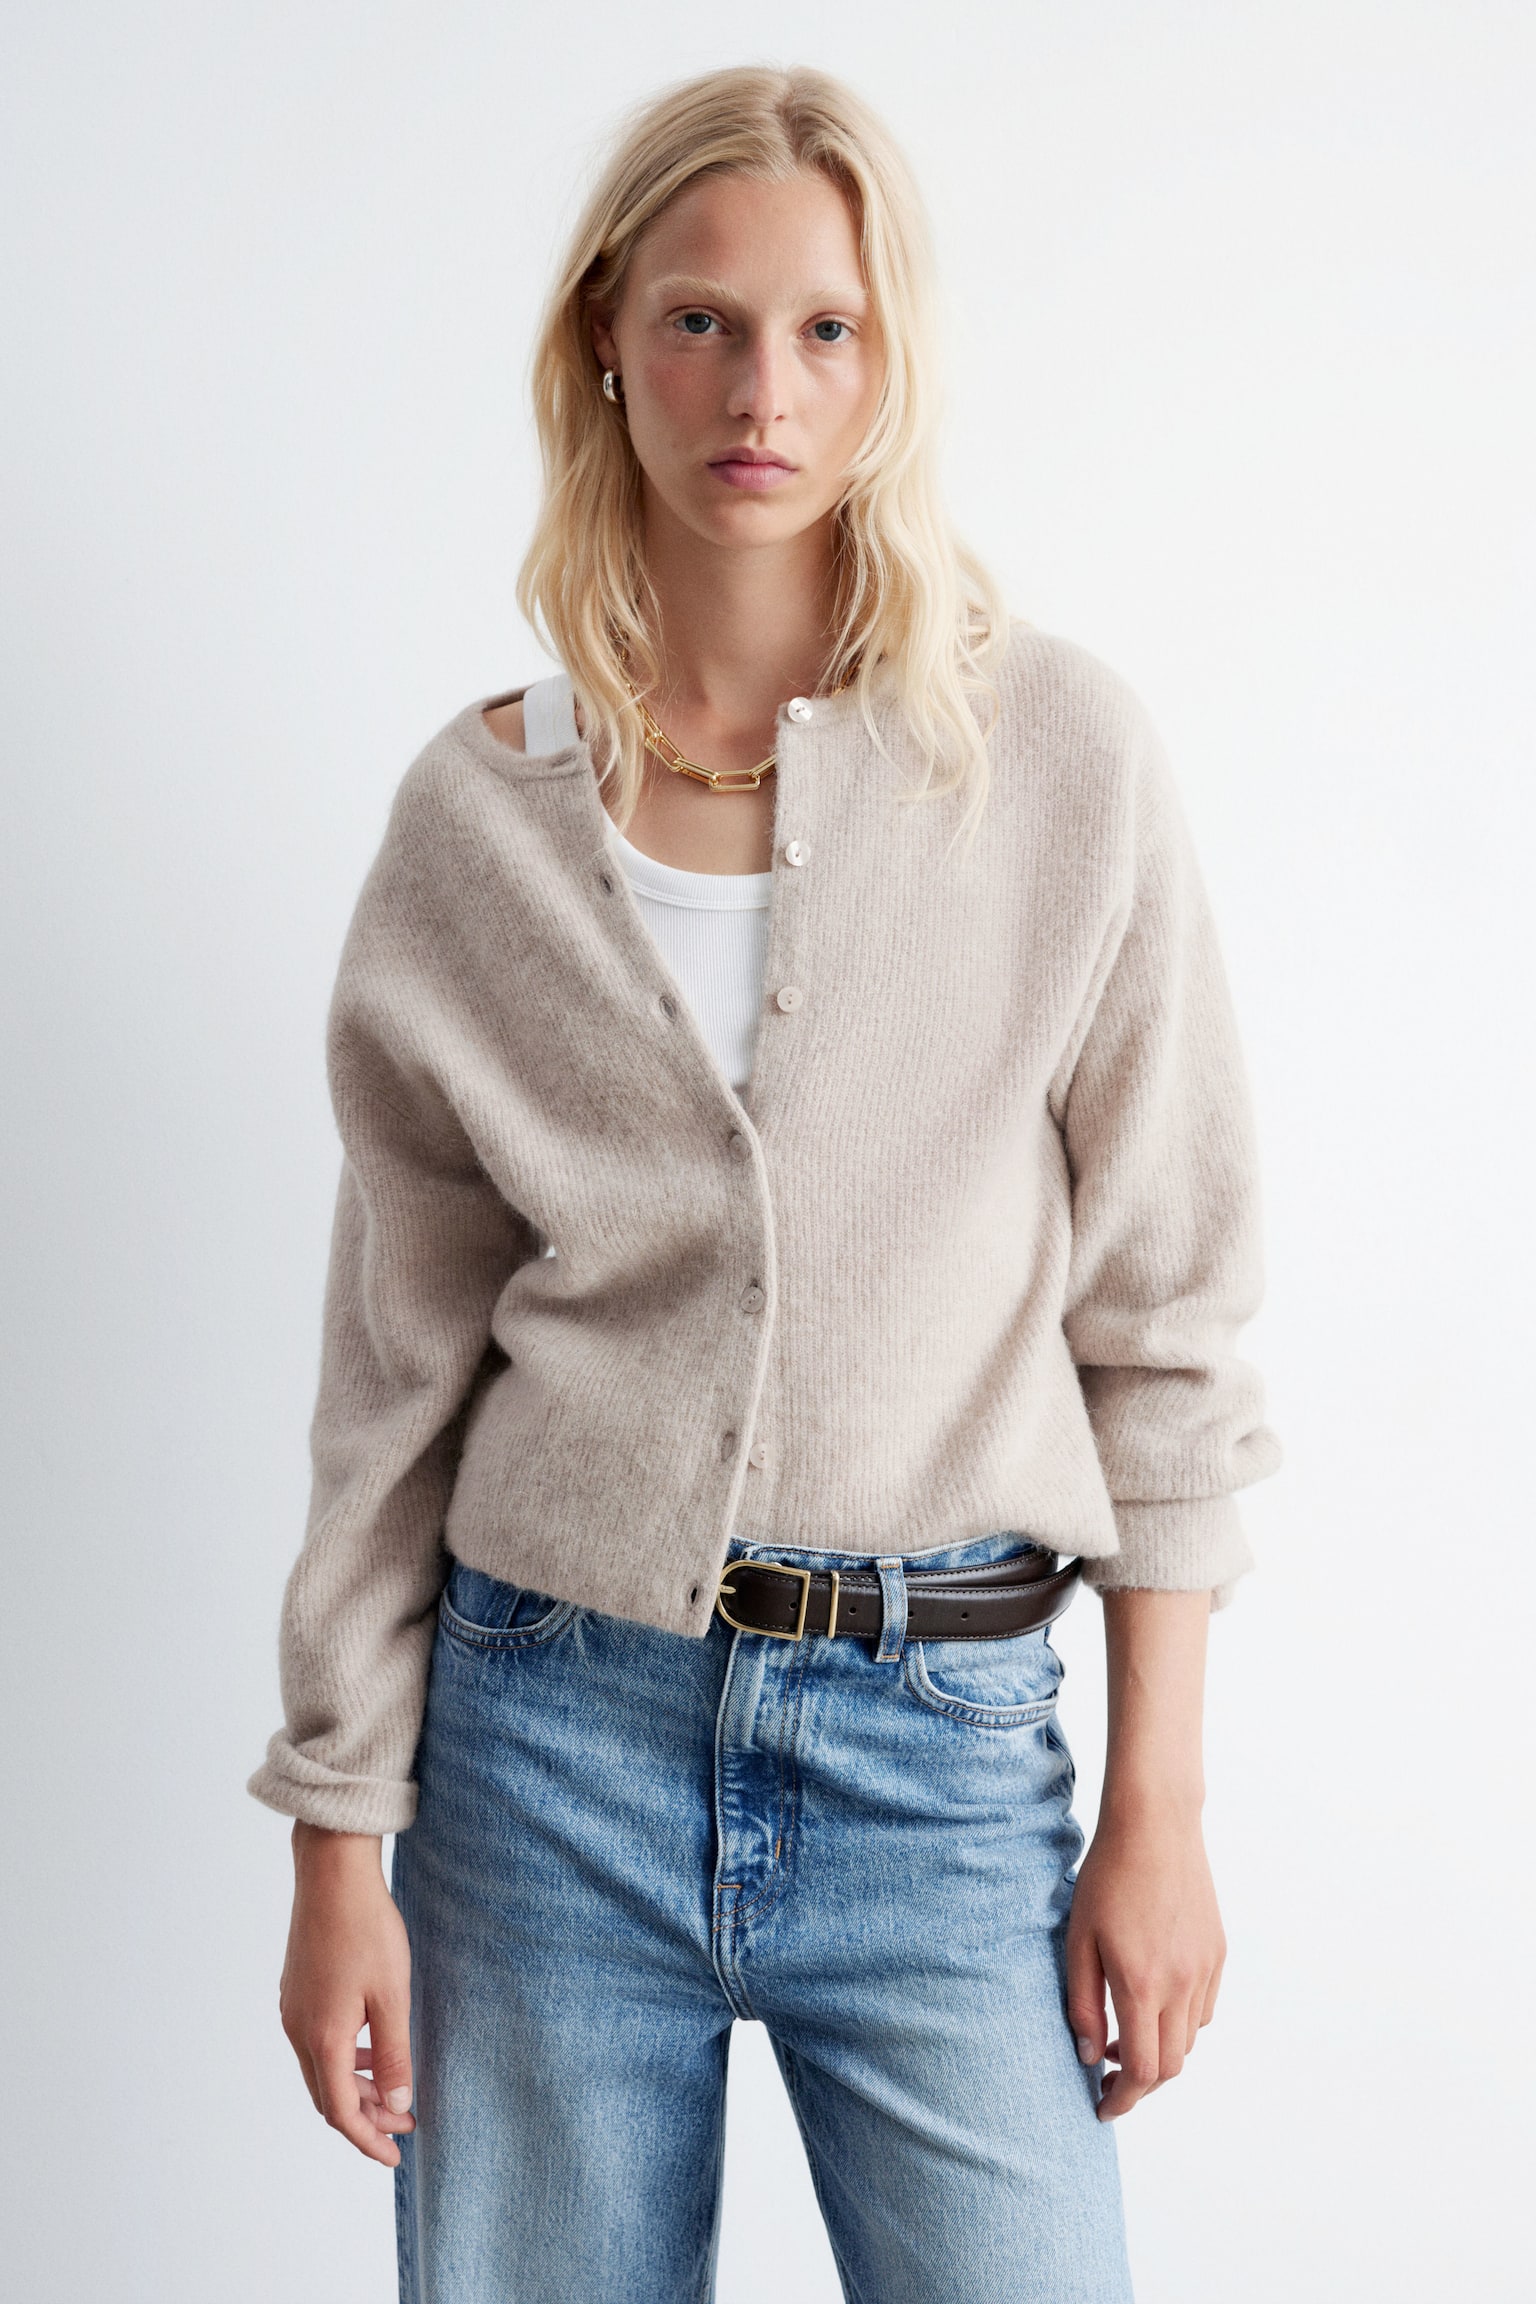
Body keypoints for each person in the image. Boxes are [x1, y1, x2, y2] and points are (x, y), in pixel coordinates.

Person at [249, 61, 1280, 2304]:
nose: (764, 392)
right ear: (608, 340)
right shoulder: (477, 824)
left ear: (895, 363)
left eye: (829, 329)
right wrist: (338, 1836)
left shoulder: (1057, 764)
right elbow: (396, 1367)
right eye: (703, 321)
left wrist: (1162, 1809)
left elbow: (1169, 1319)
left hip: (945, 1750)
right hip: (545, 1746)